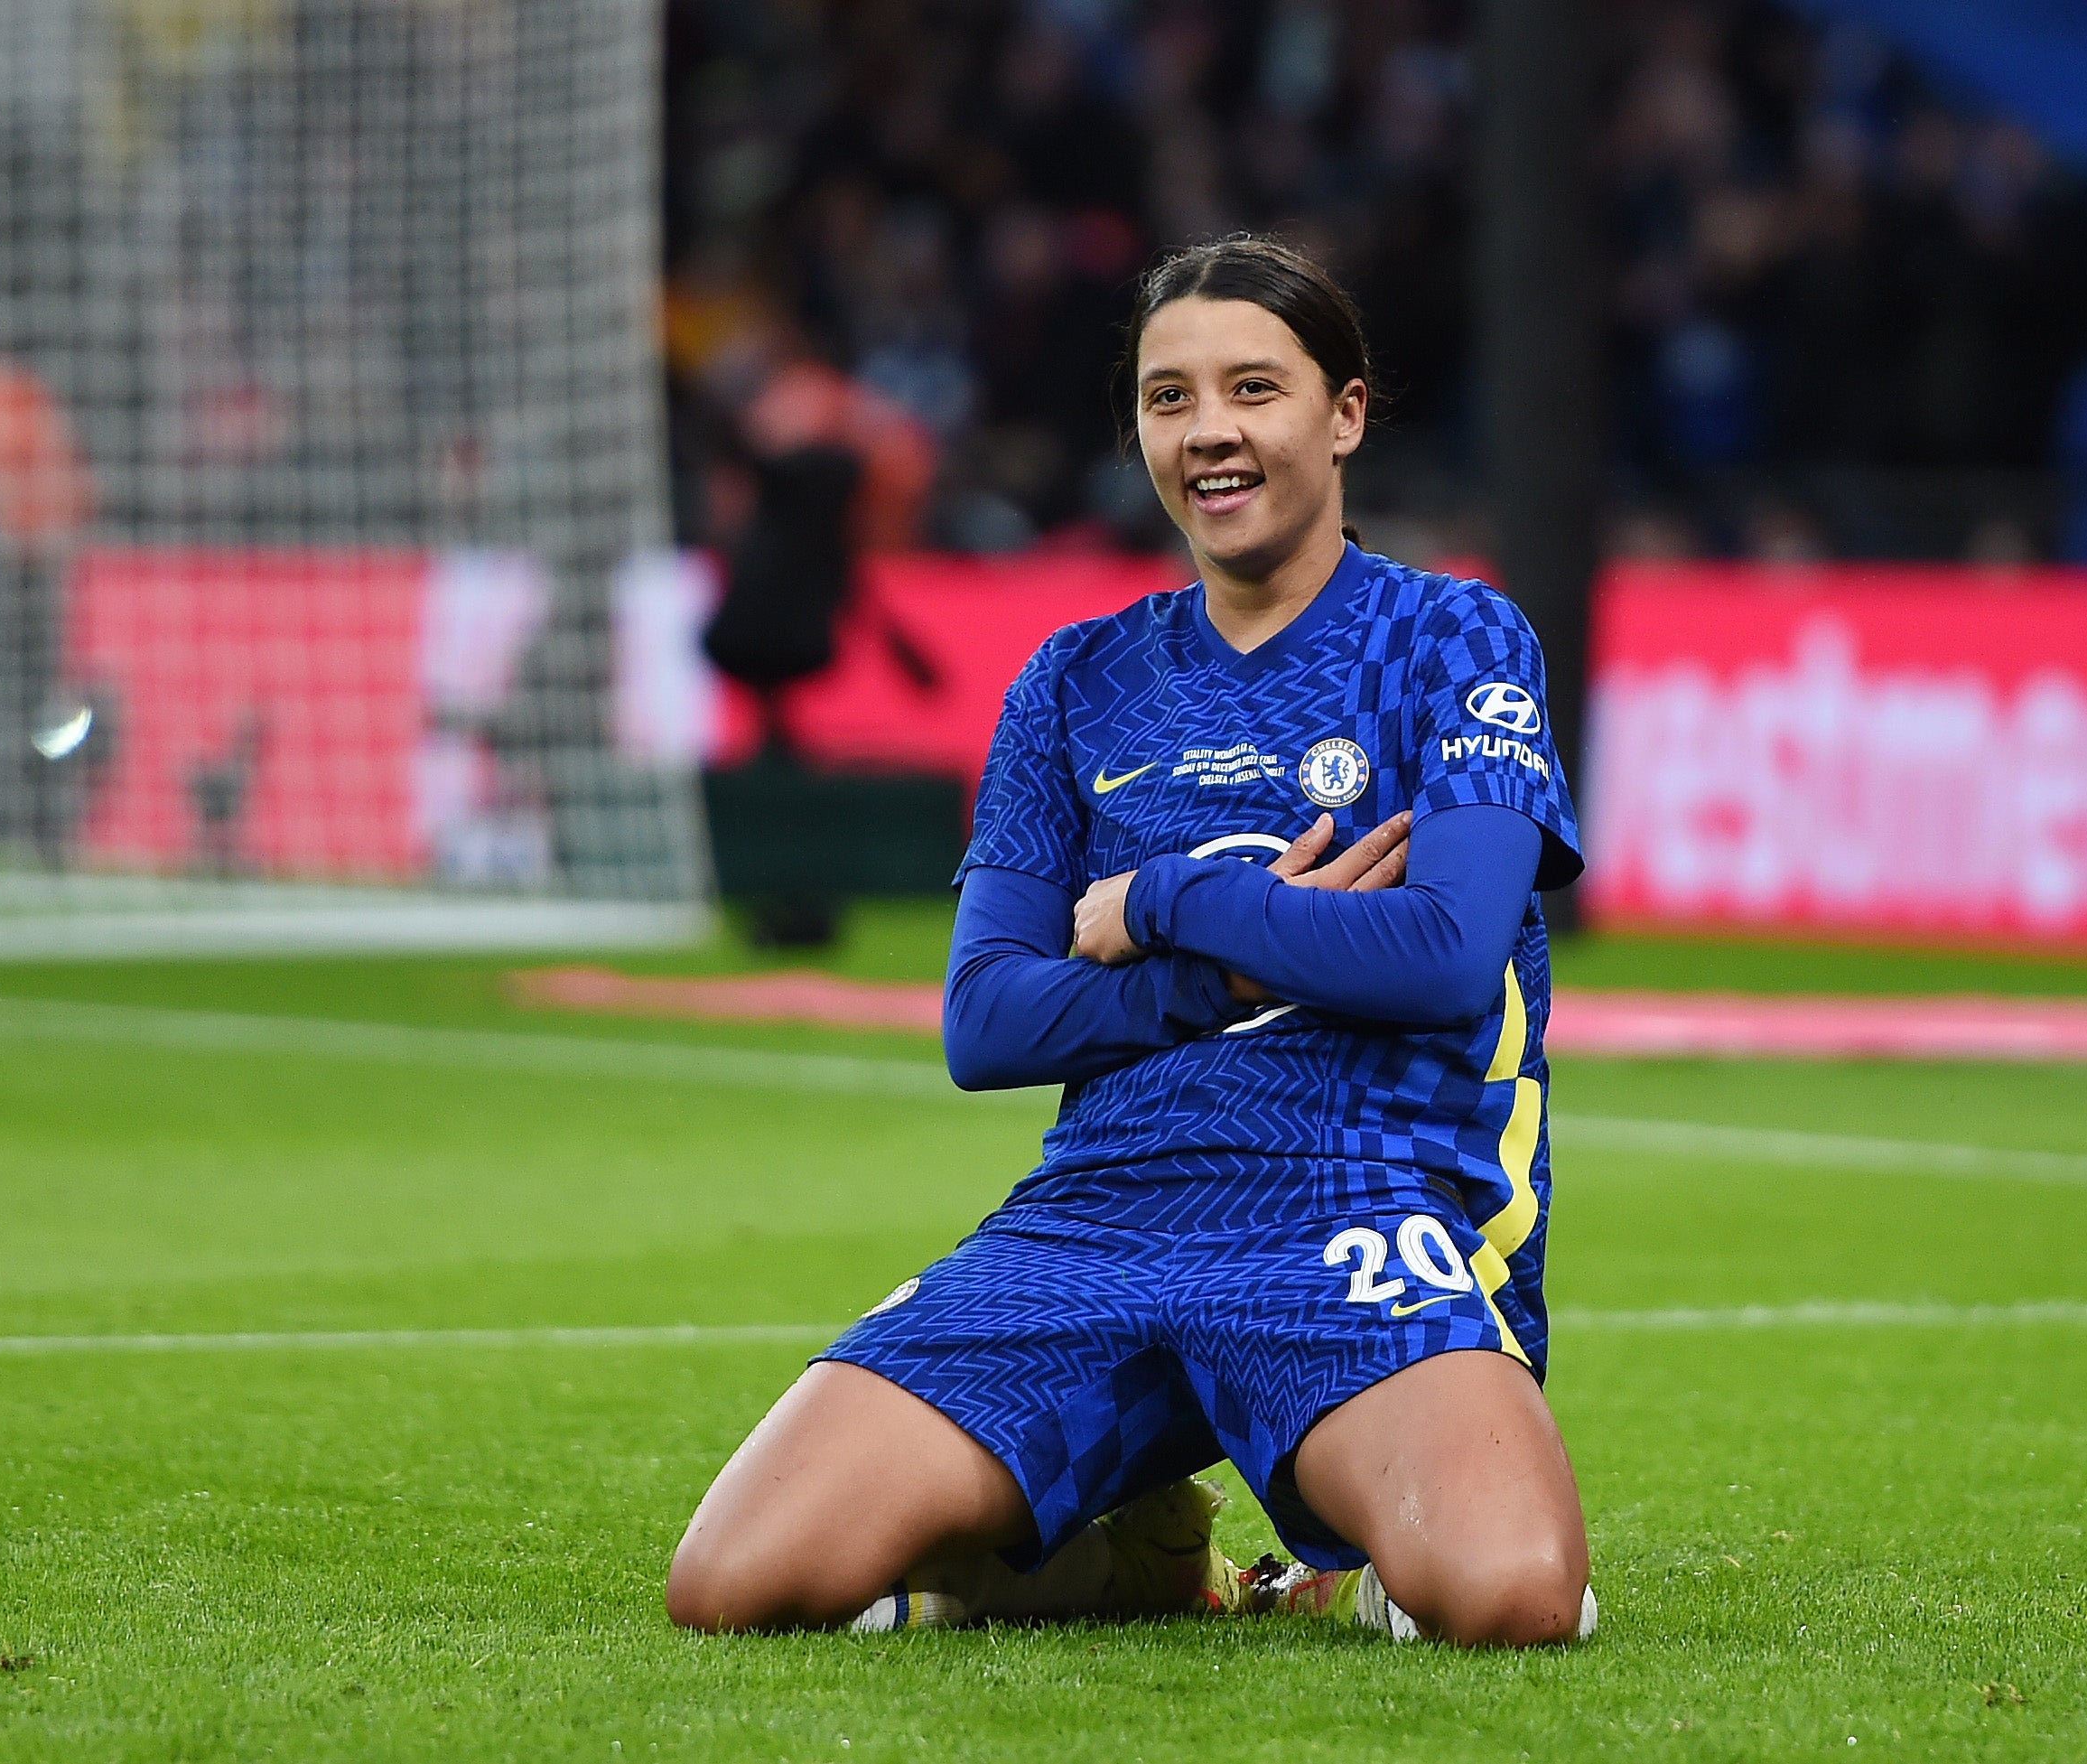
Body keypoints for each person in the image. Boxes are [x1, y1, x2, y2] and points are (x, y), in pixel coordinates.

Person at [666, 235, 1594, 1647]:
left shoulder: (1454, 640)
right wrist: (1239, 961)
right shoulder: (1073, 680)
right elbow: (985, 1022)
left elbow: (1449, 954)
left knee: (1512, 1597)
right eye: (1169, 398)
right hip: (1095, 1219)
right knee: (737, 1583)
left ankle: (1347, 1507)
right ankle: (1130, 1548)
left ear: (1343, 415)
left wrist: (1166, 901)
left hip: (1353, 1206)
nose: (1209, 431)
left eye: (1253, 389)